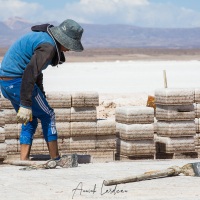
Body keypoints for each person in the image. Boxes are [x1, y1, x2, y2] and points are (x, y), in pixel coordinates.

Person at [0, 19, 84, 160]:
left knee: (30, 120)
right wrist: (26, 104)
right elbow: (30, 72)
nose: (69, 49)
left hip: (6, 83)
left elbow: (37, 73)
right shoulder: (48, 47)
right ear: (63, 40)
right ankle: (56, 159)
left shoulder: (42, 38)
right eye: (69, 45)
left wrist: (41, 96)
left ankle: (24, 160)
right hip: (19, 82)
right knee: (48, 115)